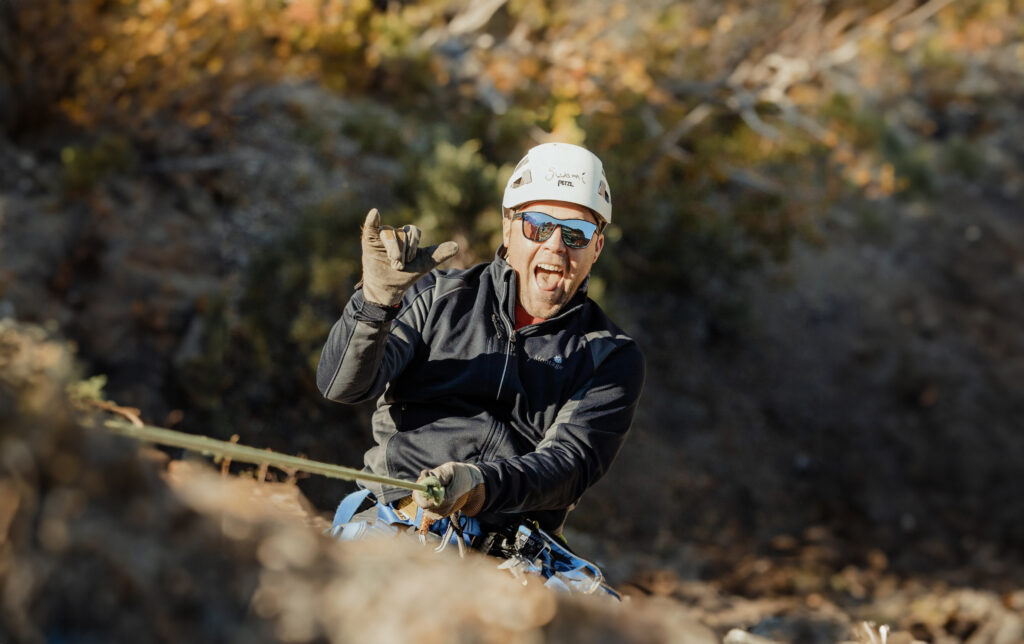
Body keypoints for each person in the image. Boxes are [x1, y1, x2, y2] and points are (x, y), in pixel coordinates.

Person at [317, 142, 644, 547]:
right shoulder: (435, 298)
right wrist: (374, 305)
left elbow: (568, 466)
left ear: (596, 248)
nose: (557, 245)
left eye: (578, 233)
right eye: (538, 225)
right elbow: (341, 385)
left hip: (514, 548)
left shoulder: (609, 355)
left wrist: (478, 485)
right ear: (508, 227)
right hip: (397, 517)